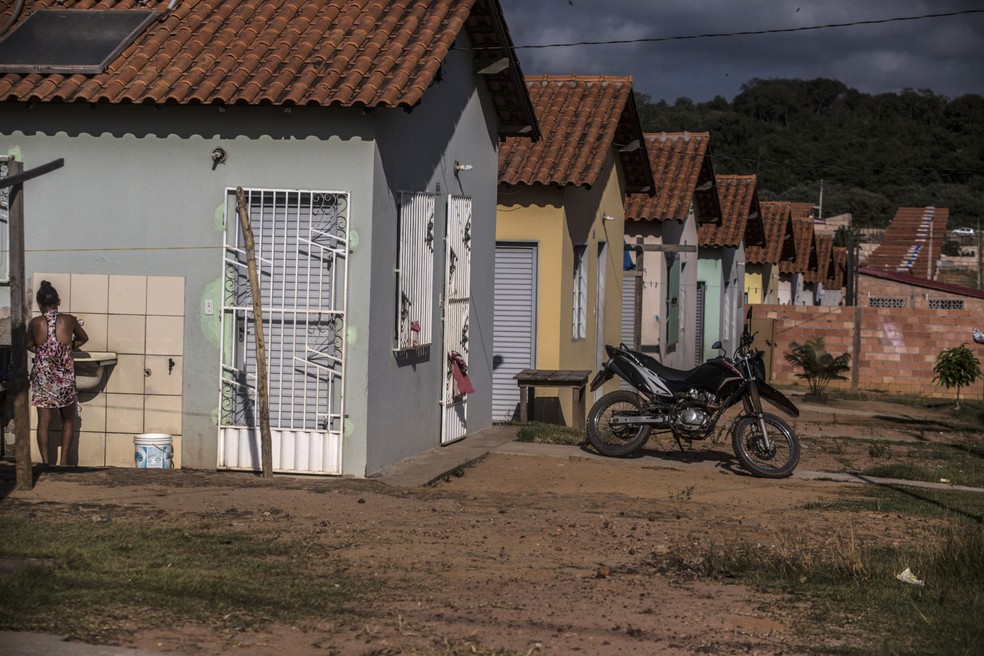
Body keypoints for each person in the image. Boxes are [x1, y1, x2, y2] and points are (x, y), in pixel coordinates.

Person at [26, 280, 88, 466]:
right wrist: (67, 348)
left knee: (44, 421)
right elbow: (84, 338)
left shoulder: (35, 322)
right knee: (68, 419)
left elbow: (28, 344)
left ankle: (46, 464)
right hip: (65, 376)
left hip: (43, 375)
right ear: (58, 301)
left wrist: (44, 353)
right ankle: (63, 463)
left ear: (39, 304)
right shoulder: (69, 320)